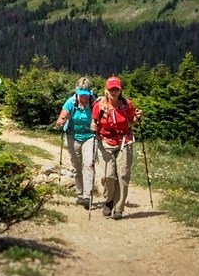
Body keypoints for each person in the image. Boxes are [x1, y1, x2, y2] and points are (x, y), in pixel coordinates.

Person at [91, 75, 142, 220]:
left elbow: (132, 121)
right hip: (105, 142)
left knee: (123, 175)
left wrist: (137, 117)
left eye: (116, 89)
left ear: (120, 90)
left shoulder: (127, 104)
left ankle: (118, 208)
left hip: (125, 141)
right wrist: (93, 126)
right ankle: (108, 200)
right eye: (111, 89)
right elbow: (93, 122)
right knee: (108, 176)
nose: (113, 92)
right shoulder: (99, 105)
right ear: (106, 90)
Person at [54, 77, 96, 208]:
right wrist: (60, 122)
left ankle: (87, 196)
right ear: (77, 92)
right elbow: (60, 119)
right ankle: (79, 193)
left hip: (89, 136)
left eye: (86, 95)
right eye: (81, 95)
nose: (84, 98)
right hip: (73, 136)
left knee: (88, 164)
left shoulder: (94, 103)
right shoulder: (70, 102)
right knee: (77, 167)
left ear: (90, 93)